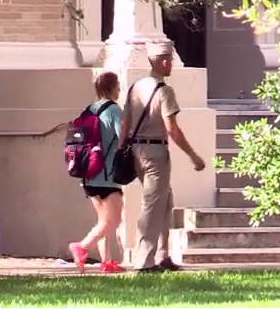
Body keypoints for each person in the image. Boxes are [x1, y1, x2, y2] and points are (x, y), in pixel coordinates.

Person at [118, 42, 206, 273]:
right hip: (155, 153)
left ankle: (162, 255)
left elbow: (125, 123)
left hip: (135, 151)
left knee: (165, 201)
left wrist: (120, 151)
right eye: (171, 61)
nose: (172, 65)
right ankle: (143, 262)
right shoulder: (164, 91)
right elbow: (172, 129)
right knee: (152, 205)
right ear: (164, 61)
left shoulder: (135, 88)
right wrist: (193, 156)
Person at [69, 71, 126, 273]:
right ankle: (81, 247)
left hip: (89, 172)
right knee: (114, 221)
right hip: (108, 174)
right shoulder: (113, 110)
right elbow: (122, 138)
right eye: (118, 85)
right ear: (111, 87)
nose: (120, 89)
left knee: (103, 221)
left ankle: (106, 263)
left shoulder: (90, 109)